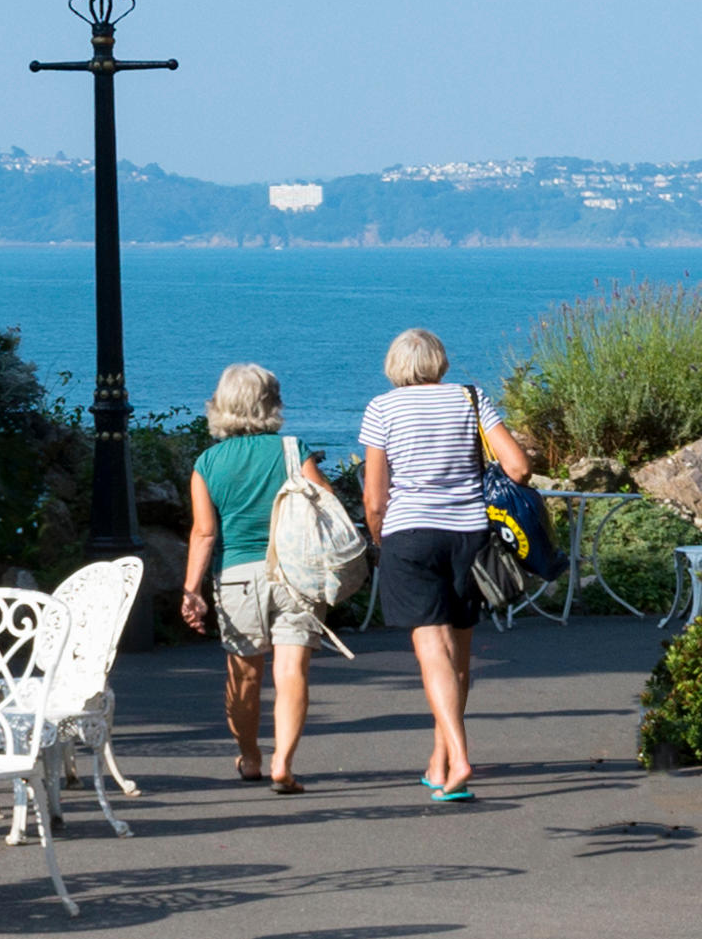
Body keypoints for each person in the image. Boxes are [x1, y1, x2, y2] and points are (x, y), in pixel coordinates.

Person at [348, 329, 529, 803]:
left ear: (394, 365)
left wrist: (377, 535)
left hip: (409, 534)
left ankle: (460, 757)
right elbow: (518, 467)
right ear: (440, 361)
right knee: (459, 657)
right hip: (469, 536)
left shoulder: (381, 408)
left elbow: (374, 495)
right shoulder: (472, 398)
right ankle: (441, 761)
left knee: (432, 652)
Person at [183, 364, 322, 790]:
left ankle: (249, 755)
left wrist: (191, 590)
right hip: (293, 572)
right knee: (291, 669)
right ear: (271, 403)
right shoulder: (294, 451)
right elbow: (326, 505)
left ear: (221, 405)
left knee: (244, 675)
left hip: (237, 578)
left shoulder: (207, 463)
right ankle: (283, 761)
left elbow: (205, 533)